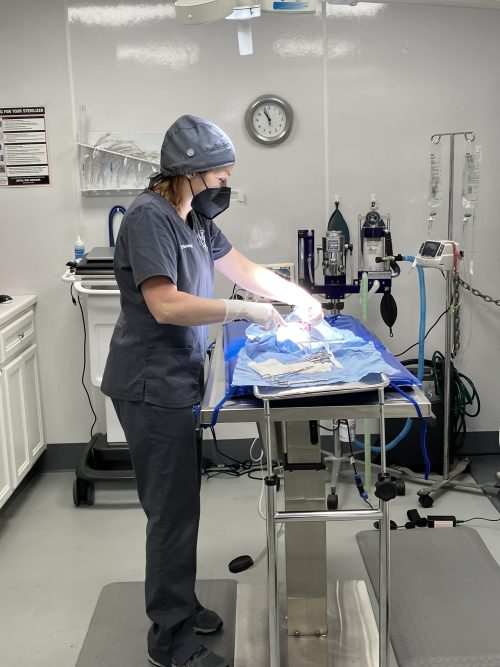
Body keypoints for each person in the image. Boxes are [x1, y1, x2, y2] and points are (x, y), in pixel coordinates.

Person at [101, 114, 323, 667]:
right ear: (190, 173)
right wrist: (243, 311)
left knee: (182, 505)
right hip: (150, 383)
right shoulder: (149, 218)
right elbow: (164, 304)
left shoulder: (196, 220)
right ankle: (170, 641)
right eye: (220, 177)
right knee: (172, 513)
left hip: (177, 379)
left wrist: (297, 296)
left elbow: (242, 268)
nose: (225, 186)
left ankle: (180, 603)